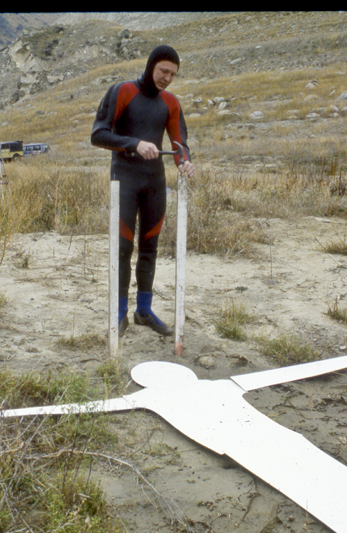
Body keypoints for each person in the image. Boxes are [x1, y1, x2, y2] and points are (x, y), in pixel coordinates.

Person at [91, 45, 196, 337]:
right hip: (123, 180)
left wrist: (185, 163)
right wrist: (135, 143)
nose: (167, 78)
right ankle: (120, 314)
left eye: (173, 74)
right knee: (123, 249)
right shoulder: (123, 91)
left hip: (154, 183)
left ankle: (144, 311)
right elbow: (98, 135)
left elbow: (179, 144)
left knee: (150, 246)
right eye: (163, 71)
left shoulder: (170, 103)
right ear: (151, 66)